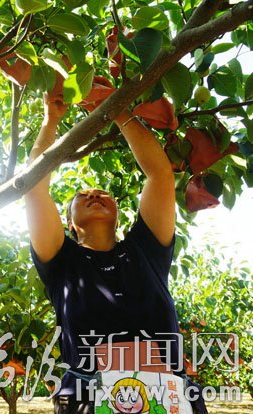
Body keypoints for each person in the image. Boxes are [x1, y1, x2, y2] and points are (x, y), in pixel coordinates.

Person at [24, 93, 207, 413]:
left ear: (118, 215)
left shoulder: (146, 250)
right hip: (88, 398)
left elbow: (160, 175)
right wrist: (50, 121)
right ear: (69, 223)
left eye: (101, 194)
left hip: (167, 397)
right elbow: (34, 188)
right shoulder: (62, 261)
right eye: (82, 196)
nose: (93, 195)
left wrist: (118, 109)